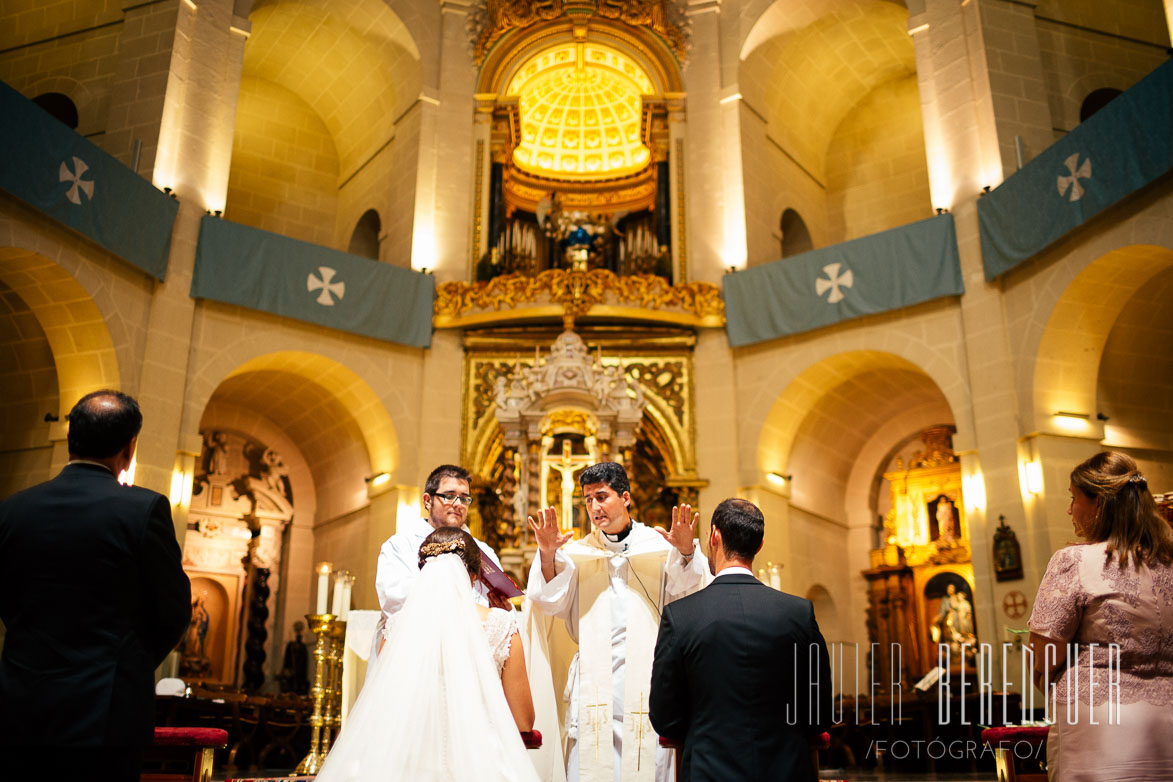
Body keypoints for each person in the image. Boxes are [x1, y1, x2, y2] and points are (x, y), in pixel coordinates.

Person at [0, 390, 191, 781]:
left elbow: (7, 599)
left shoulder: (13, 509)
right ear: (130, 446)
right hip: (105, 714)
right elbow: (174, 611)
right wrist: (126, 662)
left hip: (20, 706)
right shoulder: (143, 509)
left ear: (71, 437)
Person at [526, 461, 709, 782]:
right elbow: (548, 600)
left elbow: (691, 592)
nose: (594, 507)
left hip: (648, 679)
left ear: (625, 497)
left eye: (602, 496)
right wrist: (545, 554)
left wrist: (687, 553)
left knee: (649, 761)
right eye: (588, 500)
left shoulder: (658, 548)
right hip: (593, 684)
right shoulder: (577, 554)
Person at [315, 528, 539, 782]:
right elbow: (523, 721)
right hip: (481, 764)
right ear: (474, 577)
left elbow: (382, 709)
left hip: (408, 764)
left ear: (423, 574)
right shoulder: (501, 624)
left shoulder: (397, 627)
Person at [648, 498, 831, 781]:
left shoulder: (680, 616)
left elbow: (665, 719)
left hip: (709, 772)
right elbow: (819, 713)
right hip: (787, 771)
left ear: (714, 536)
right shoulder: (799, 613)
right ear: (759, 545)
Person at [1028, 451, 1173, 782]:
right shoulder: (1170, 560)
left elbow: (1044, 656)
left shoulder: (1075, 561)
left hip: (1100, 725)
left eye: (1073, 498)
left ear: (1099, 503)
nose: (1068, 509)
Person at [370, 465, 507, 666]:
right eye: (449, 496)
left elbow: (498, 617)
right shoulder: (399, 546)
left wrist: (500, 609)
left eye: (464, 498)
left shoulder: (484, 552)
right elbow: (395, 602)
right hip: (413, 657)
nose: (457, 504)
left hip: (468, 659)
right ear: (428, 500)